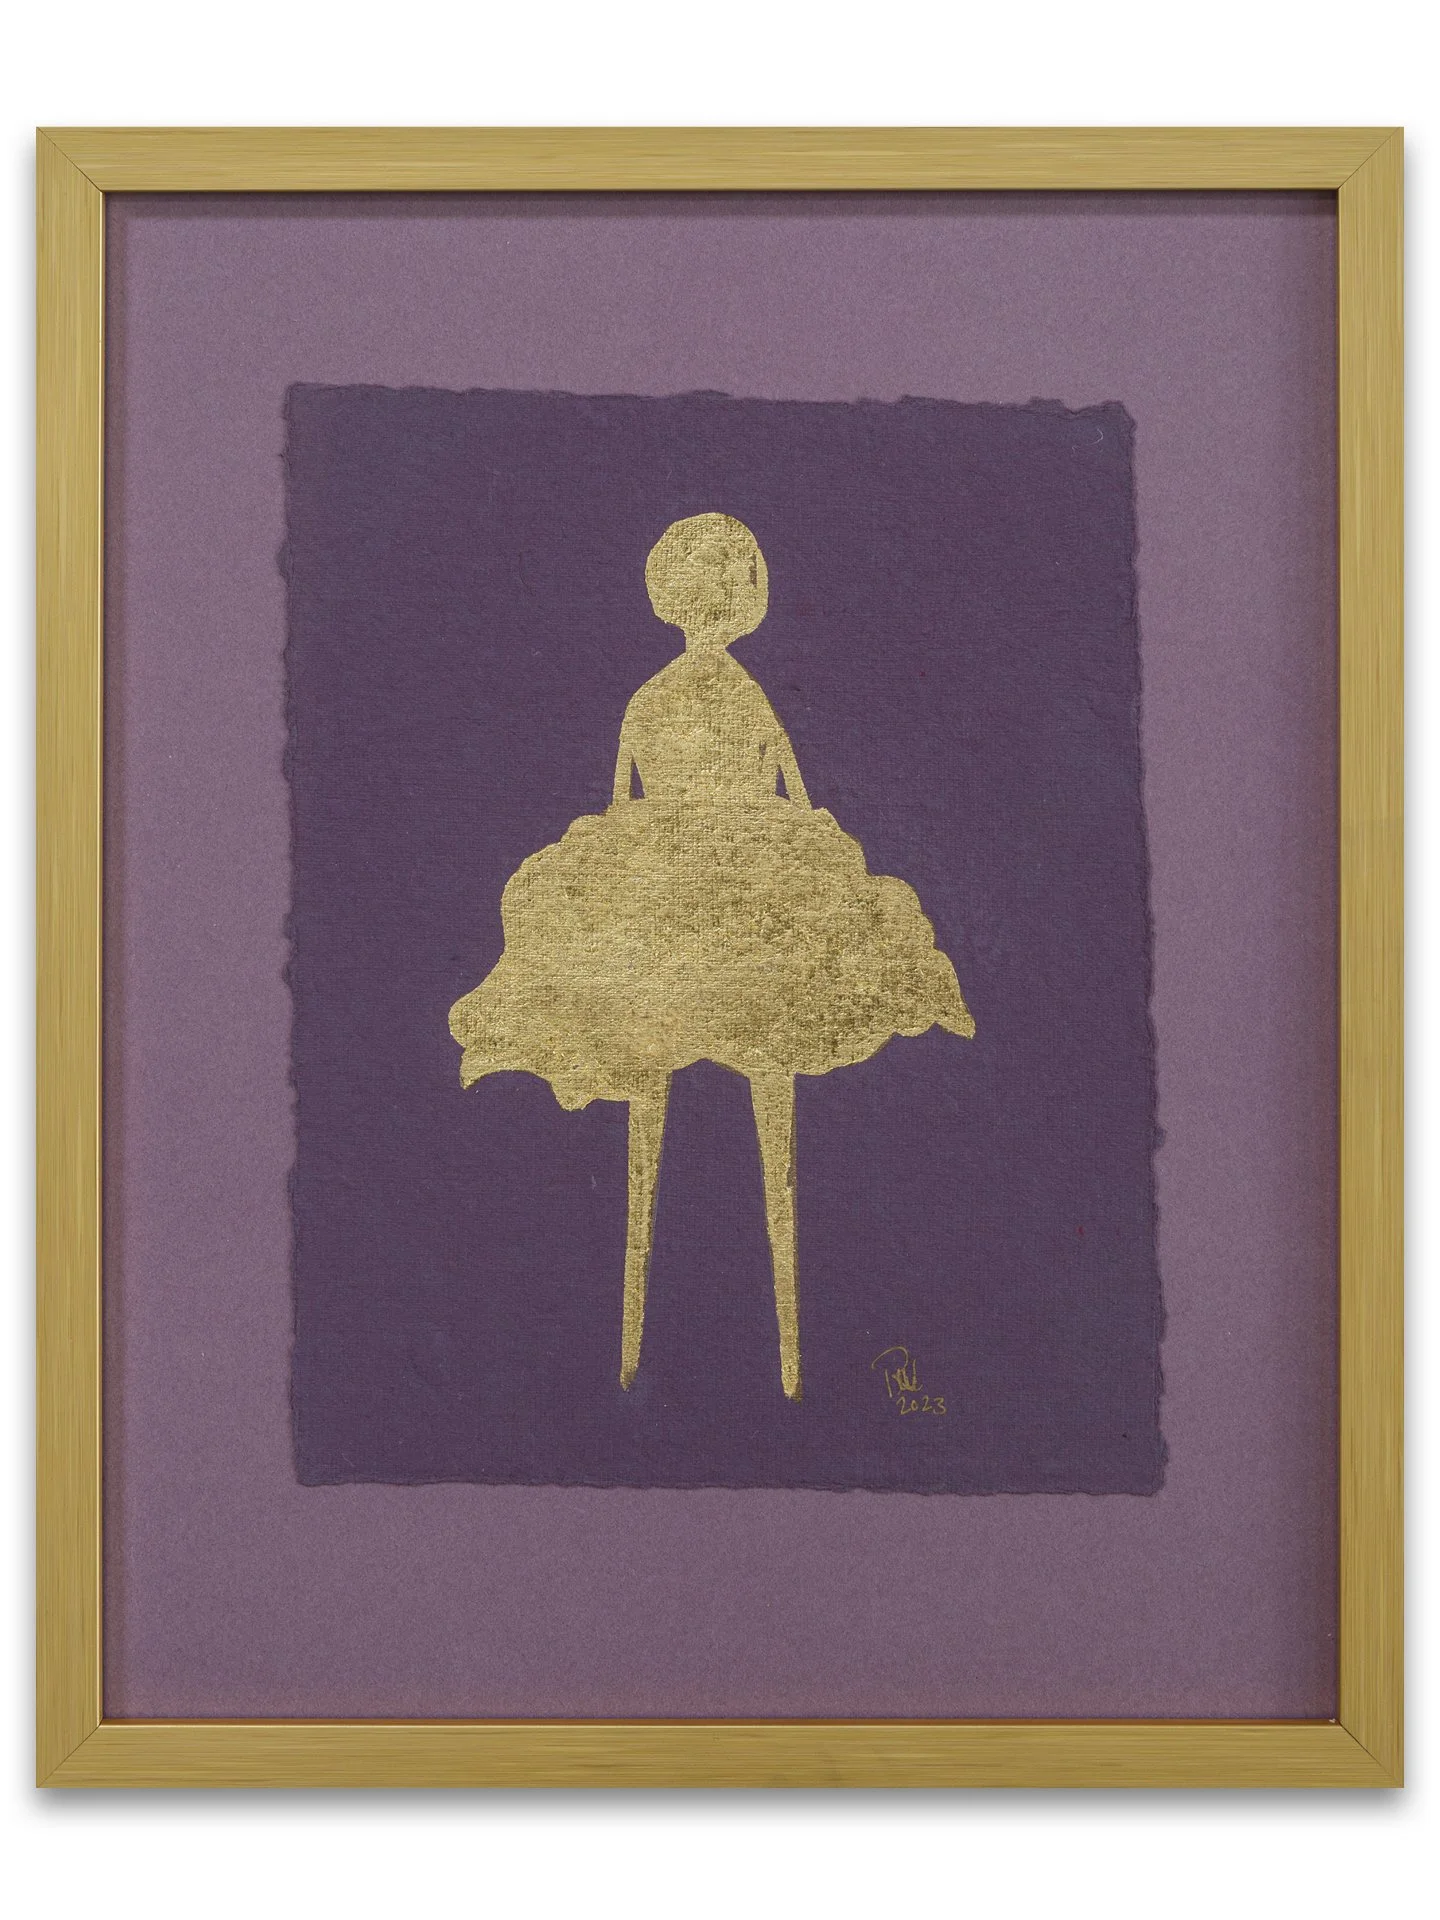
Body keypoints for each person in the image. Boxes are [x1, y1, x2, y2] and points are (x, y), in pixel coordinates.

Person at [449, 513, 974, 1399]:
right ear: (743, 601)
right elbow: (798, 795)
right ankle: (785, 1358)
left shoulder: (647, 699)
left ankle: (639, 1348)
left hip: (659, 915)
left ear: (670, 597)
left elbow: (619, 803)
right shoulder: (748, 693)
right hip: (745, 919)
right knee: (769, 1076)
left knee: (649, 1090)